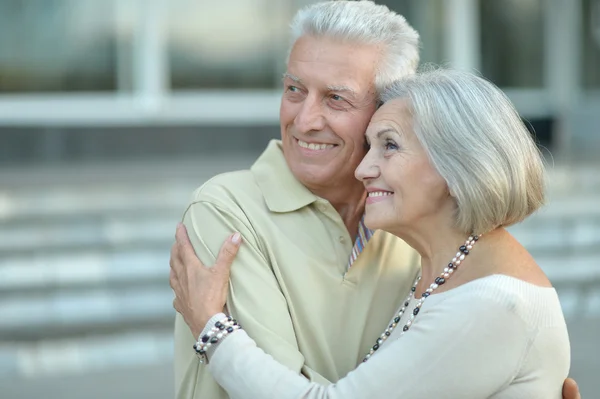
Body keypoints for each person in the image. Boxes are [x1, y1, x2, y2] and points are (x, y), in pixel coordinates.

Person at [170, 1, 581, 398]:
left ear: (393, 108)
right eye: (294, 89)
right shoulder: (224, 211)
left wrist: (212, 328)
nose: (305, 120)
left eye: (336, 98)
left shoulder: (423, 239)